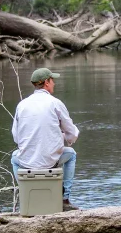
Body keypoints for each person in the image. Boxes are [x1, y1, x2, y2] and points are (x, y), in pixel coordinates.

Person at [11, 66, 80, 203]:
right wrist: (65, 138)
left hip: (27, 163)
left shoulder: (22, 105)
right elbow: (72, 133)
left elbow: (16, 137)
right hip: (50, 162)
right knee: (71, 154)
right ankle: (65, 198)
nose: (54, 83)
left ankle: (25, 191)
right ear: (47, 82)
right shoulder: (55, 103)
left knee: (14, 157)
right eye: (52, 80)